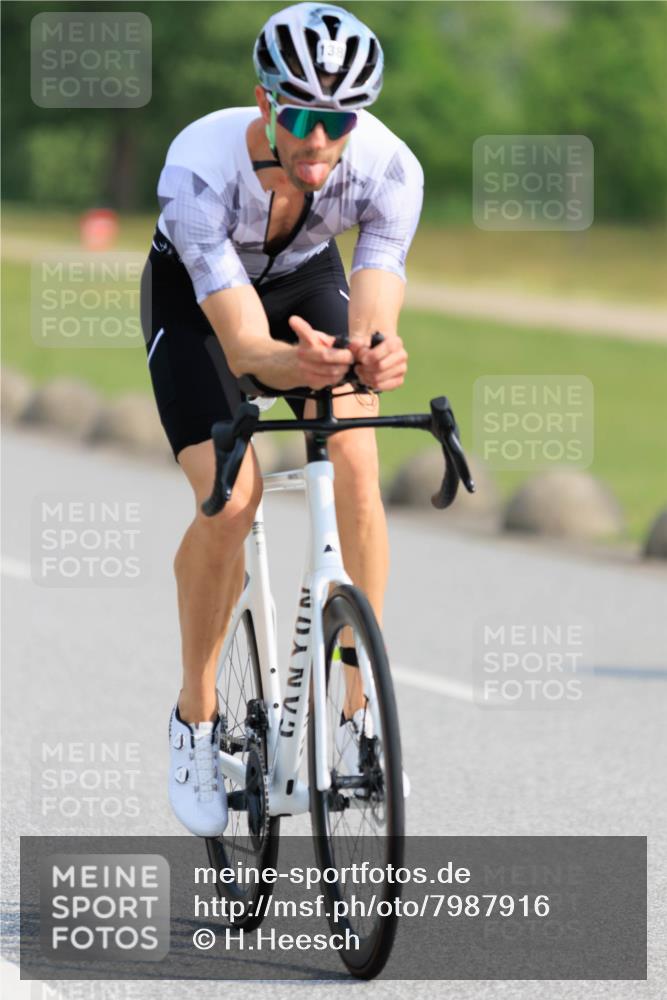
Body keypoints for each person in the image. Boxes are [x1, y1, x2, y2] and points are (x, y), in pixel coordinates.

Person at [140, 1, 423, 836]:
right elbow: (244, 348)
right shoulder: (197, 168)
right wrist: (287, 366)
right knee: (231, 500)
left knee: (358, 458)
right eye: (301, 117)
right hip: (200, 307)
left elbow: (373, 310)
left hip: (302, 280)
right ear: (265, 103)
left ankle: (356, 713)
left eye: (339, 119)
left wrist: (374, 351)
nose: (320, 141)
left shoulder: (387, 170)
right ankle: (194, 717)